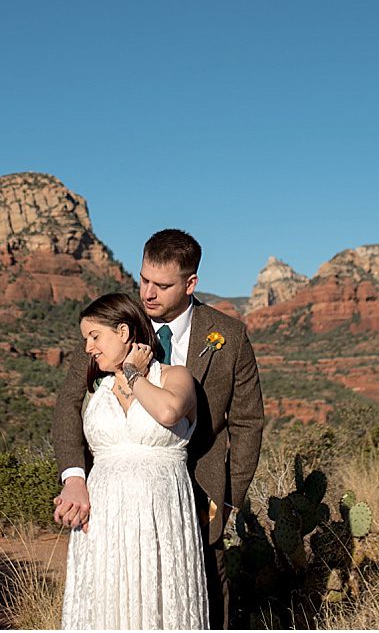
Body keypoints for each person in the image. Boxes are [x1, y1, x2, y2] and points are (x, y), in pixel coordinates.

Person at [53, 229, 265, 630]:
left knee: (199, 598)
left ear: (190, 284)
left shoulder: (229, 337)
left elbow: (247, 422)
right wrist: (74, 476)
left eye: (162, 285)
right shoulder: (116, 326)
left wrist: (229, 500)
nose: (148, 293)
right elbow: (67, 404)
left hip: (198, 493)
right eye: (144, 280)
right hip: (115, 503)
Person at [58, 292, 208, 629]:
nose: (88, 348)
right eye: (86, 339)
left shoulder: (176, 377)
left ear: (124, 333)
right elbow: (66, 419)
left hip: (160, 516)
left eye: (94, 336)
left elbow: (168, 412)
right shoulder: (97, 390)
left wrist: (133, 374)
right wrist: (74, 481)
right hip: (104, 520)